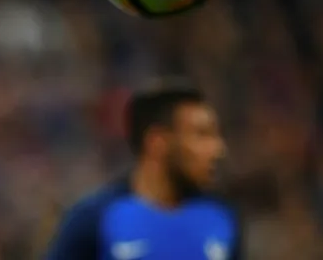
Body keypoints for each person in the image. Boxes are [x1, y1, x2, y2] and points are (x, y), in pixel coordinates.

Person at [45, 82, 242, 260]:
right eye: (202, 135)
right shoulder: (95, 218)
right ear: (157, 142)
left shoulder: (221, 217)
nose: (218, 150)